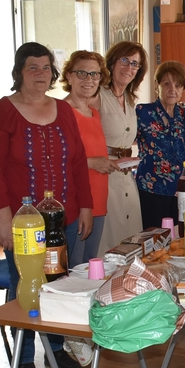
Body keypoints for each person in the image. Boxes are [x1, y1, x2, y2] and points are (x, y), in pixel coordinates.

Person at [0, 42, 93, 368]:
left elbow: (77, 162)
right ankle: (24, 356)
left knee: (60, 284)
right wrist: (2, 217)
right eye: (33, 67)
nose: (40, 74)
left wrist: (87, 207)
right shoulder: (3, 112)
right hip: (24, 223)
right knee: (28, 287)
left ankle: (57, 348)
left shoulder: (63, 111)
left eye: (46, 67)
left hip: (67, 218)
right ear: (19, 71)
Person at [93, 41, 147, 251]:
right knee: (108, 241)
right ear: (113, 62)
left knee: (131, 236)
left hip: (127, 177)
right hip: (104, 176)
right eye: (125, 60)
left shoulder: (129, 99)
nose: (129, 67)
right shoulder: (98, 95)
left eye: (135, 64)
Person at [135, 60, 185, 230]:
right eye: (167, 83)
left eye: (178, 85)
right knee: (155, 238)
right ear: (157, 85)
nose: (173, 89)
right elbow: (125, 138)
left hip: (183, 188)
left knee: (182, 235)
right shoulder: (143, 112)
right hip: (152, 189)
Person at [61, 50, 109, 264]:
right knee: (75, 268)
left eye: (95, 74)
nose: (89, 80)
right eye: (82, 73)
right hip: (78, 202)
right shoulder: (62, 111)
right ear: (69, 76)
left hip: (98, 199)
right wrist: (92, 163)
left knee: (90, 264)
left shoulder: (94, 113)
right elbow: (57, 161)